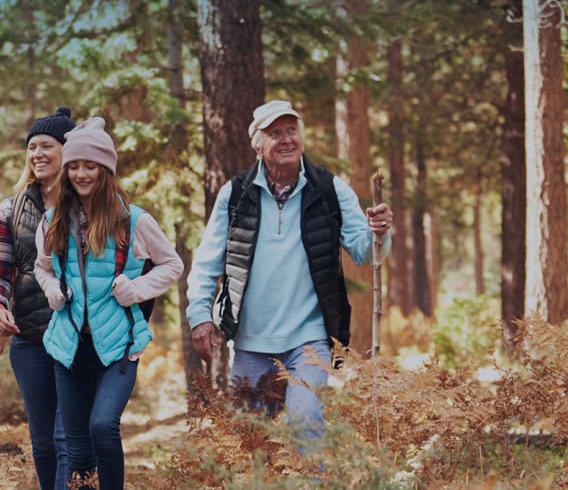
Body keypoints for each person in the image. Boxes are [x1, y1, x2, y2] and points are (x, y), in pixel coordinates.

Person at [183, 100, 393, 450]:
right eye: (275, 133)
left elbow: (363, 250)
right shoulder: (235, 194)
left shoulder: (329, 189)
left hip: (309, 338)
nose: (285, 139)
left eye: (291, 130)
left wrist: (380, 233)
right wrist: (199, 316)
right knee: (252, 441)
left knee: (305, 419)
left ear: (302, 138)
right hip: (251, 340)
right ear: (258, 144)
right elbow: (207, 261)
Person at [33, 117, 184, 490]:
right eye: (75, 166)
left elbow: (173, 265)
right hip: (69, 345)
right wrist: (52, 289)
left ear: (106, 170)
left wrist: (137, 288)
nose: (82, 174)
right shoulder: (52, 221)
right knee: (78, 453)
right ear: (66, 170)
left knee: (103, 426)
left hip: (118, 344)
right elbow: (41, 268)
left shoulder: (133, 221)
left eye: (91, 166)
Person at [0, 107, 76, 490]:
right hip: (29, 339)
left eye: (47, 146)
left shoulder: (85, 202)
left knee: (65, 437)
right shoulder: (11, 209)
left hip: (75, 336)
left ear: (67, 151)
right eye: (32, 147)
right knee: (42, 441)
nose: (38, 154)